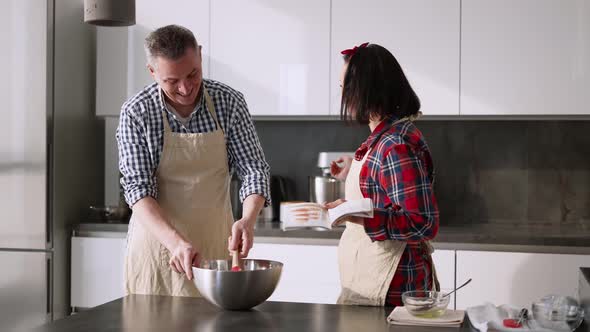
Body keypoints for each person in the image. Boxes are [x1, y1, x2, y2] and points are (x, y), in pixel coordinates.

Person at [117, 25, 270, 296]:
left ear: (200, 56)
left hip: (214, 250)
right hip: (157, 252)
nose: (186, 88)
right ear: (152, 72)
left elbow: (253, 169)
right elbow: (138, 190)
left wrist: (247, 219)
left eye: (193, 74)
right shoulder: (136, 112)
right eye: (172, 81)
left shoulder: (229, 102)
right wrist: (175, 243)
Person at [327, 42, 440, 306]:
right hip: (375, 282)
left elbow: (422, 222)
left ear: (368, 90)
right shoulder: (384, 138)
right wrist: (352, 175)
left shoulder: (395, 145)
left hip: (392, 290)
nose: (343, 94)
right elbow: (384, 190)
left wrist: (355, 215)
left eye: (347, 87)